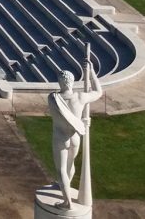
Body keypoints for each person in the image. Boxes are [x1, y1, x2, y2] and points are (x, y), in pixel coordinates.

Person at [48, 62, 103, 210]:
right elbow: (98, 92)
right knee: (70, 166)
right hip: (75, 137)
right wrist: (91, 73)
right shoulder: (80, 97)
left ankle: (67, 203)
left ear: (60, 81)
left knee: (61, 171)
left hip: (61, 137)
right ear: (72, 82)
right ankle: (64, 187)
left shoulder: (53, 98)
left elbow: (57, 117)